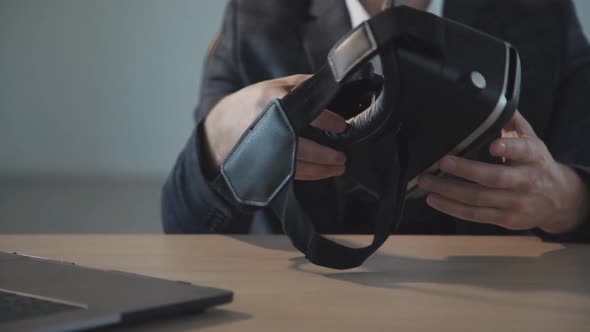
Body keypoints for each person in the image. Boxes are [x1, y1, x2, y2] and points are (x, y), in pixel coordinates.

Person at [162, 0, 590, 241]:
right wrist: (217, 135)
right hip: (302, 306)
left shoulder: (541, 13)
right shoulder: (257, 19)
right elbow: (184, 227)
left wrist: (570, 202)